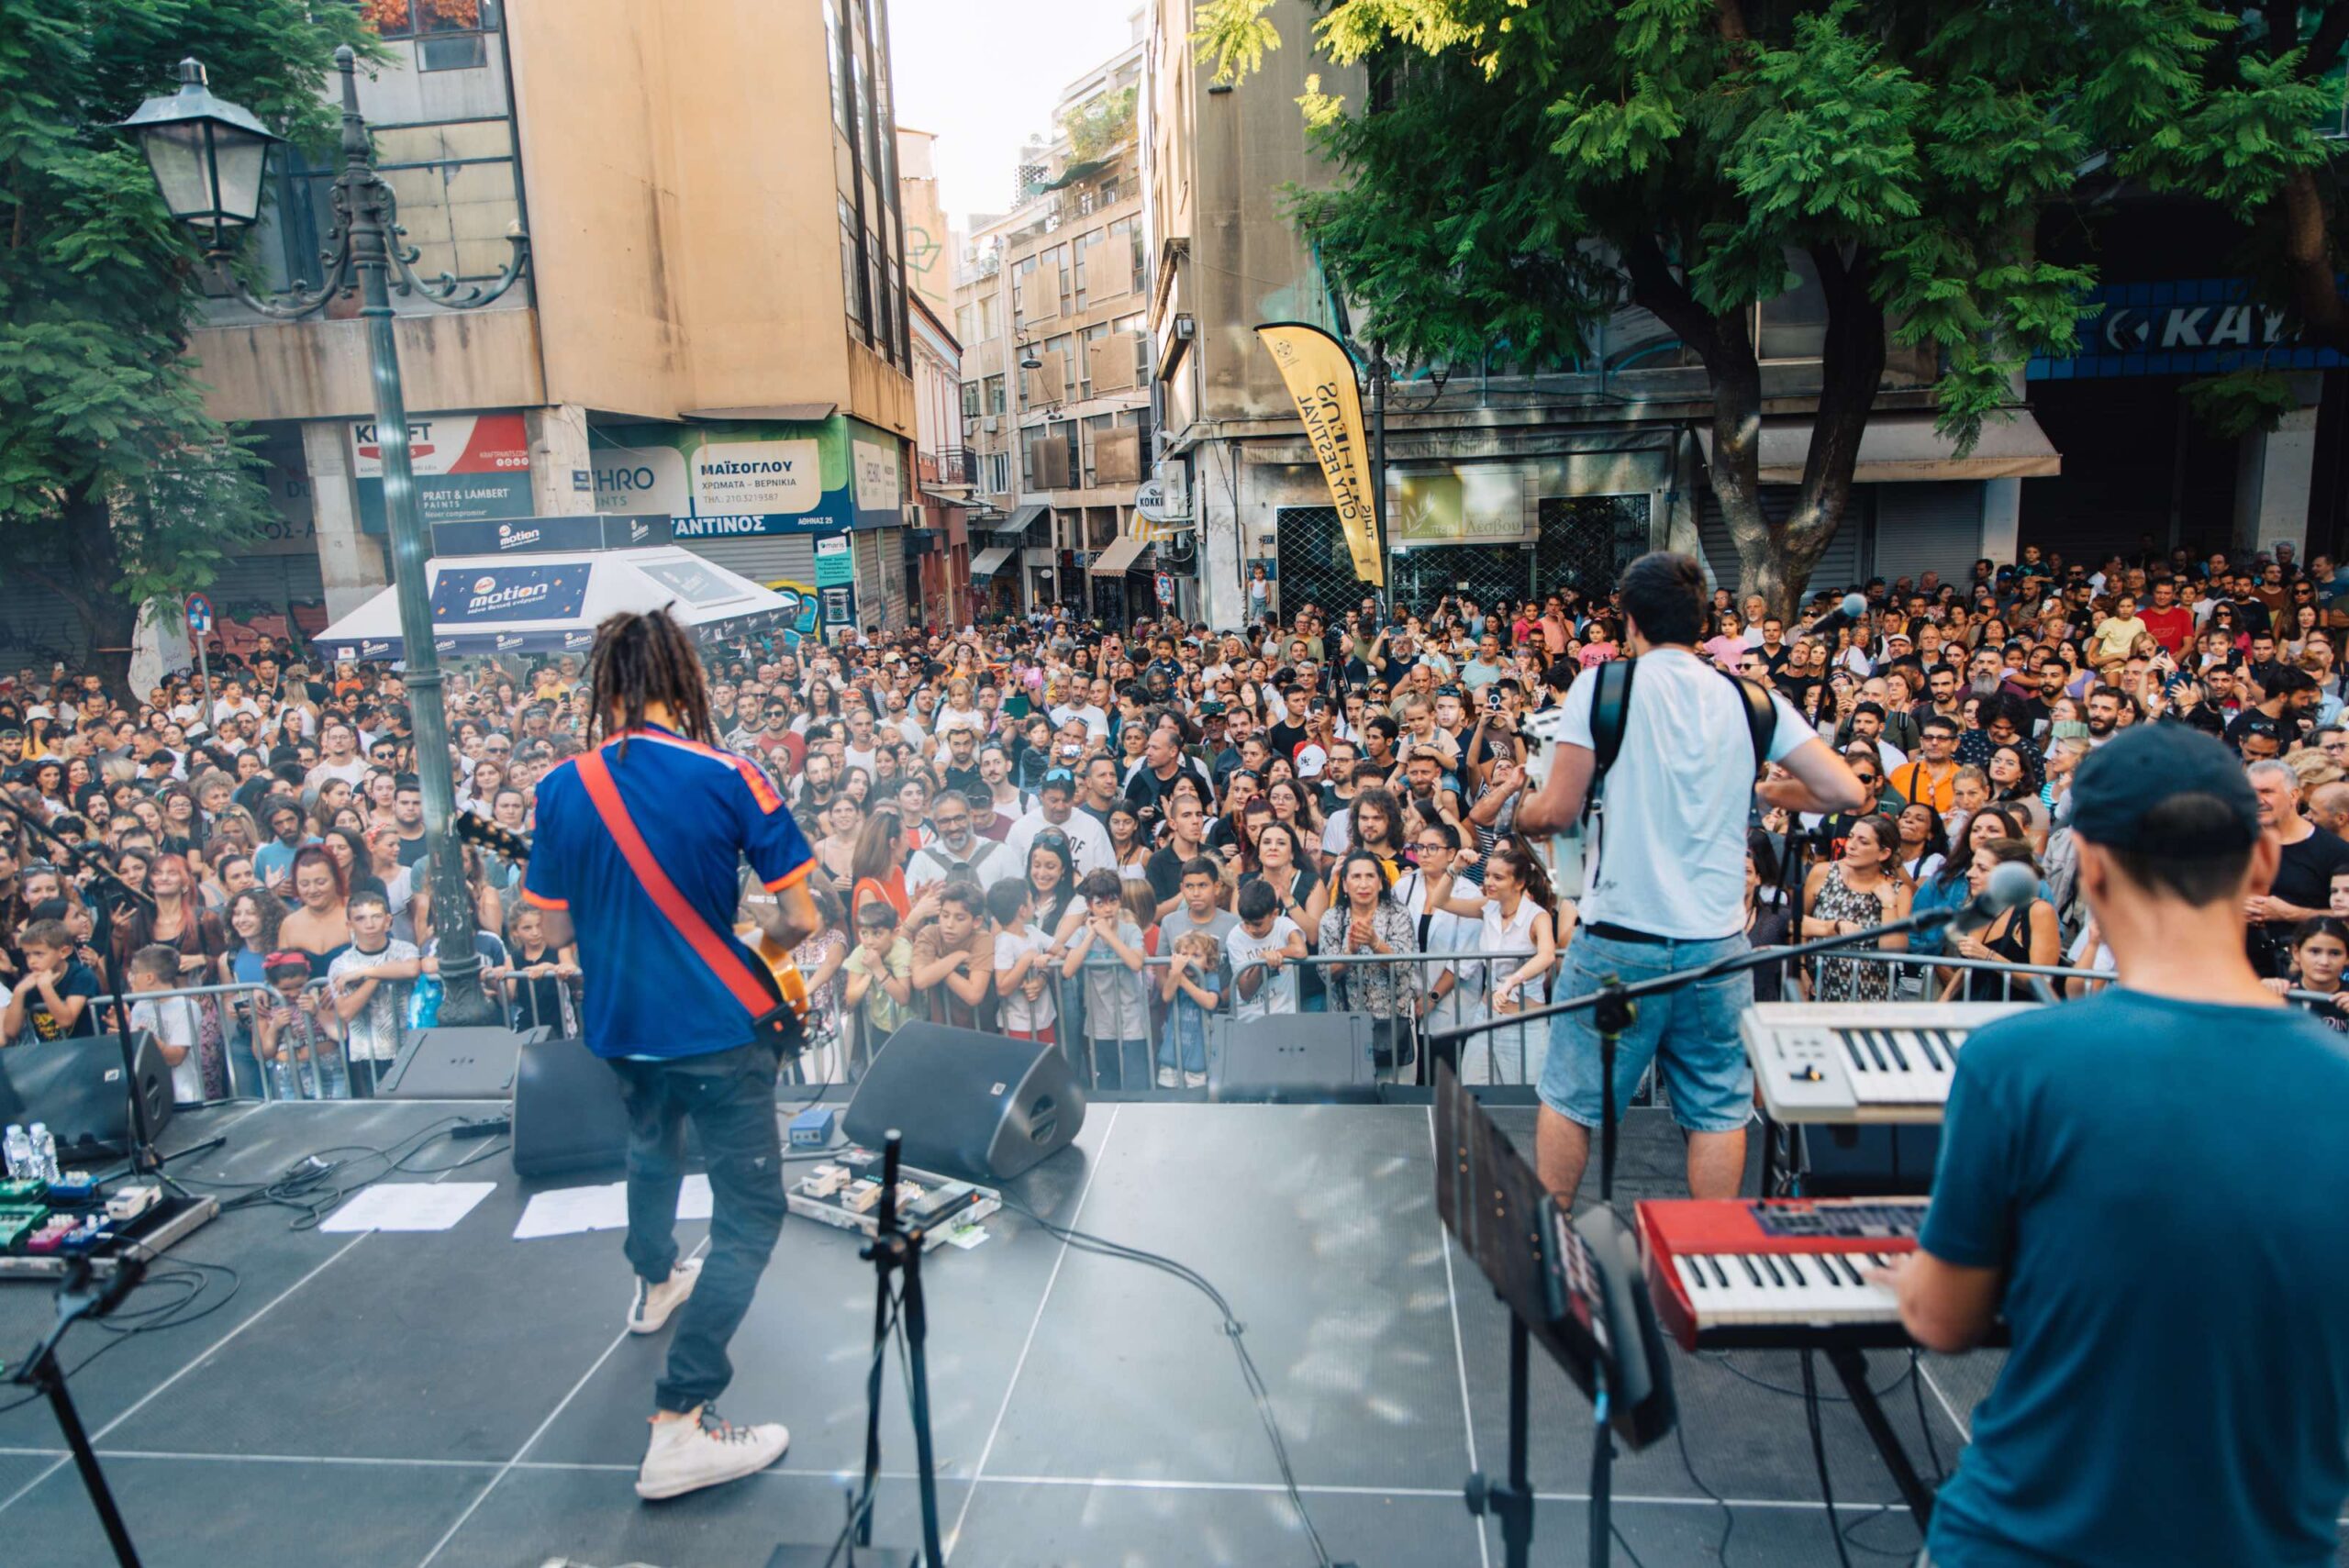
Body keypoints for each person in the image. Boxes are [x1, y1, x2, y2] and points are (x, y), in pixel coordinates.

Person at [1883, 722, 2349, 1568]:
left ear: (2090, 869)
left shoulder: (2017, 1062)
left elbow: (1943, 1317)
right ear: (2263, 863)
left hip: (2027, 1541)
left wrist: (1907, 1272)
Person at [519, 608, 817, 1503]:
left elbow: (553, 930)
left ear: (605, 683)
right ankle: (682, 1419)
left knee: (651, 1148)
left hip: (623, 1027)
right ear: (682, 678)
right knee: (750, 1214)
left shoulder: (561, 786)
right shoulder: (731, 774)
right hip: (718, 1028)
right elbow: (800, 917)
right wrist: (754, 943)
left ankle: (654, 1279)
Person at [1511, 552, 1864, 1206]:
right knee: (1716, 1109)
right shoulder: (1752, 700)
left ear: (1630, 619)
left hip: (1618, 947)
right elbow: (1845, 790)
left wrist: (1522, 811)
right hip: (1716, 949)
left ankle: (1547, 1236)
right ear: (1702, 621)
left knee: (1573, 1097)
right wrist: (1772, 791)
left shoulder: (1603, 687)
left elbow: (1557, 811)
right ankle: (1713, 1248)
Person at [127, 943, 207, 1106]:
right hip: (151, 1098)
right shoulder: (139, 1007)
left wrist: (149, 1040)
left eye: (134, 973)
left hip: (183, 1096)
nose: (129, 977)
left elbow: (176, 1058)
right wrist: (122, 1031)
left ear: (149, 978)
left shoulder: (187, 1006)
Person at [3, 917, 98, 1042]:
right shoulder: (31, 983)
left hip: (89, 1047)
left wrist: (46, 988)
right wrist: (19, 991)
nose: (32, 961)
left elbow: (66, 1021)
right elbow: (10, 1031)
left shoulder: (80, 976)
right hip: (50, 1051)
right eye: (27, 955)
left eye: (39, 954)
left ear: (64, 952)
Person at [1157, 928, 1224, 1089]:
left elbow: (1210, 1002)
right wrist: (1175, 974)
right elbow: (1166, 996)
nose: (1188, 960)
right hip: (1171, 1053)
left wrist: (1184, 982)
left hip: (1198, 1055)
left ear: (1208, 962)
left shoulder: (1210, 978)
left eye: (1196, 956)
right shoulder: (1176, 976)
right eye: (1184, 954)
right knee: (1168, 1094)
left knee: (1195, 1097)